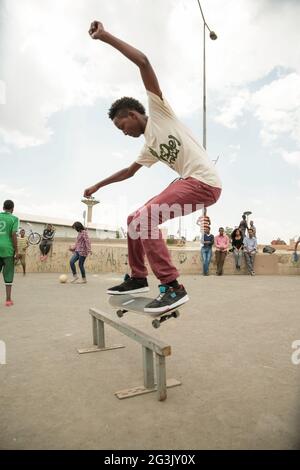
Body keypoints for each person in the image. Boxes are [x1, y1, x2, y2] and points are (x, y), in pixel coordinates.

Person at [84, 21, 222, 313]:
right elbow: (129, 171)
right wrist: (98, 185)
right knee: (135, 218)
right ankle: (137, 277)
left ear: (133, 114)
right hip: (188, 182)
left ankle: (173, 287)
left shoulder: (159, 112)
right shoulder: (148, 145)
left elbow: (143, 61)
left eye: (123, 126)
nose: (124, 132)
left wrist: (106, 36)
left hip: (205, 181)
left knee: (147, 217)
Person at [0, 200, 19, 306]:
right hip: (8, 250)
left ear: (3, 207)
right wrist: (16, 250)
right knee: (8, 274)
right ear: (12, 209)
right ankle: (8, 300)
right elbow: (13, 234)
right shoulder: (14, 219)